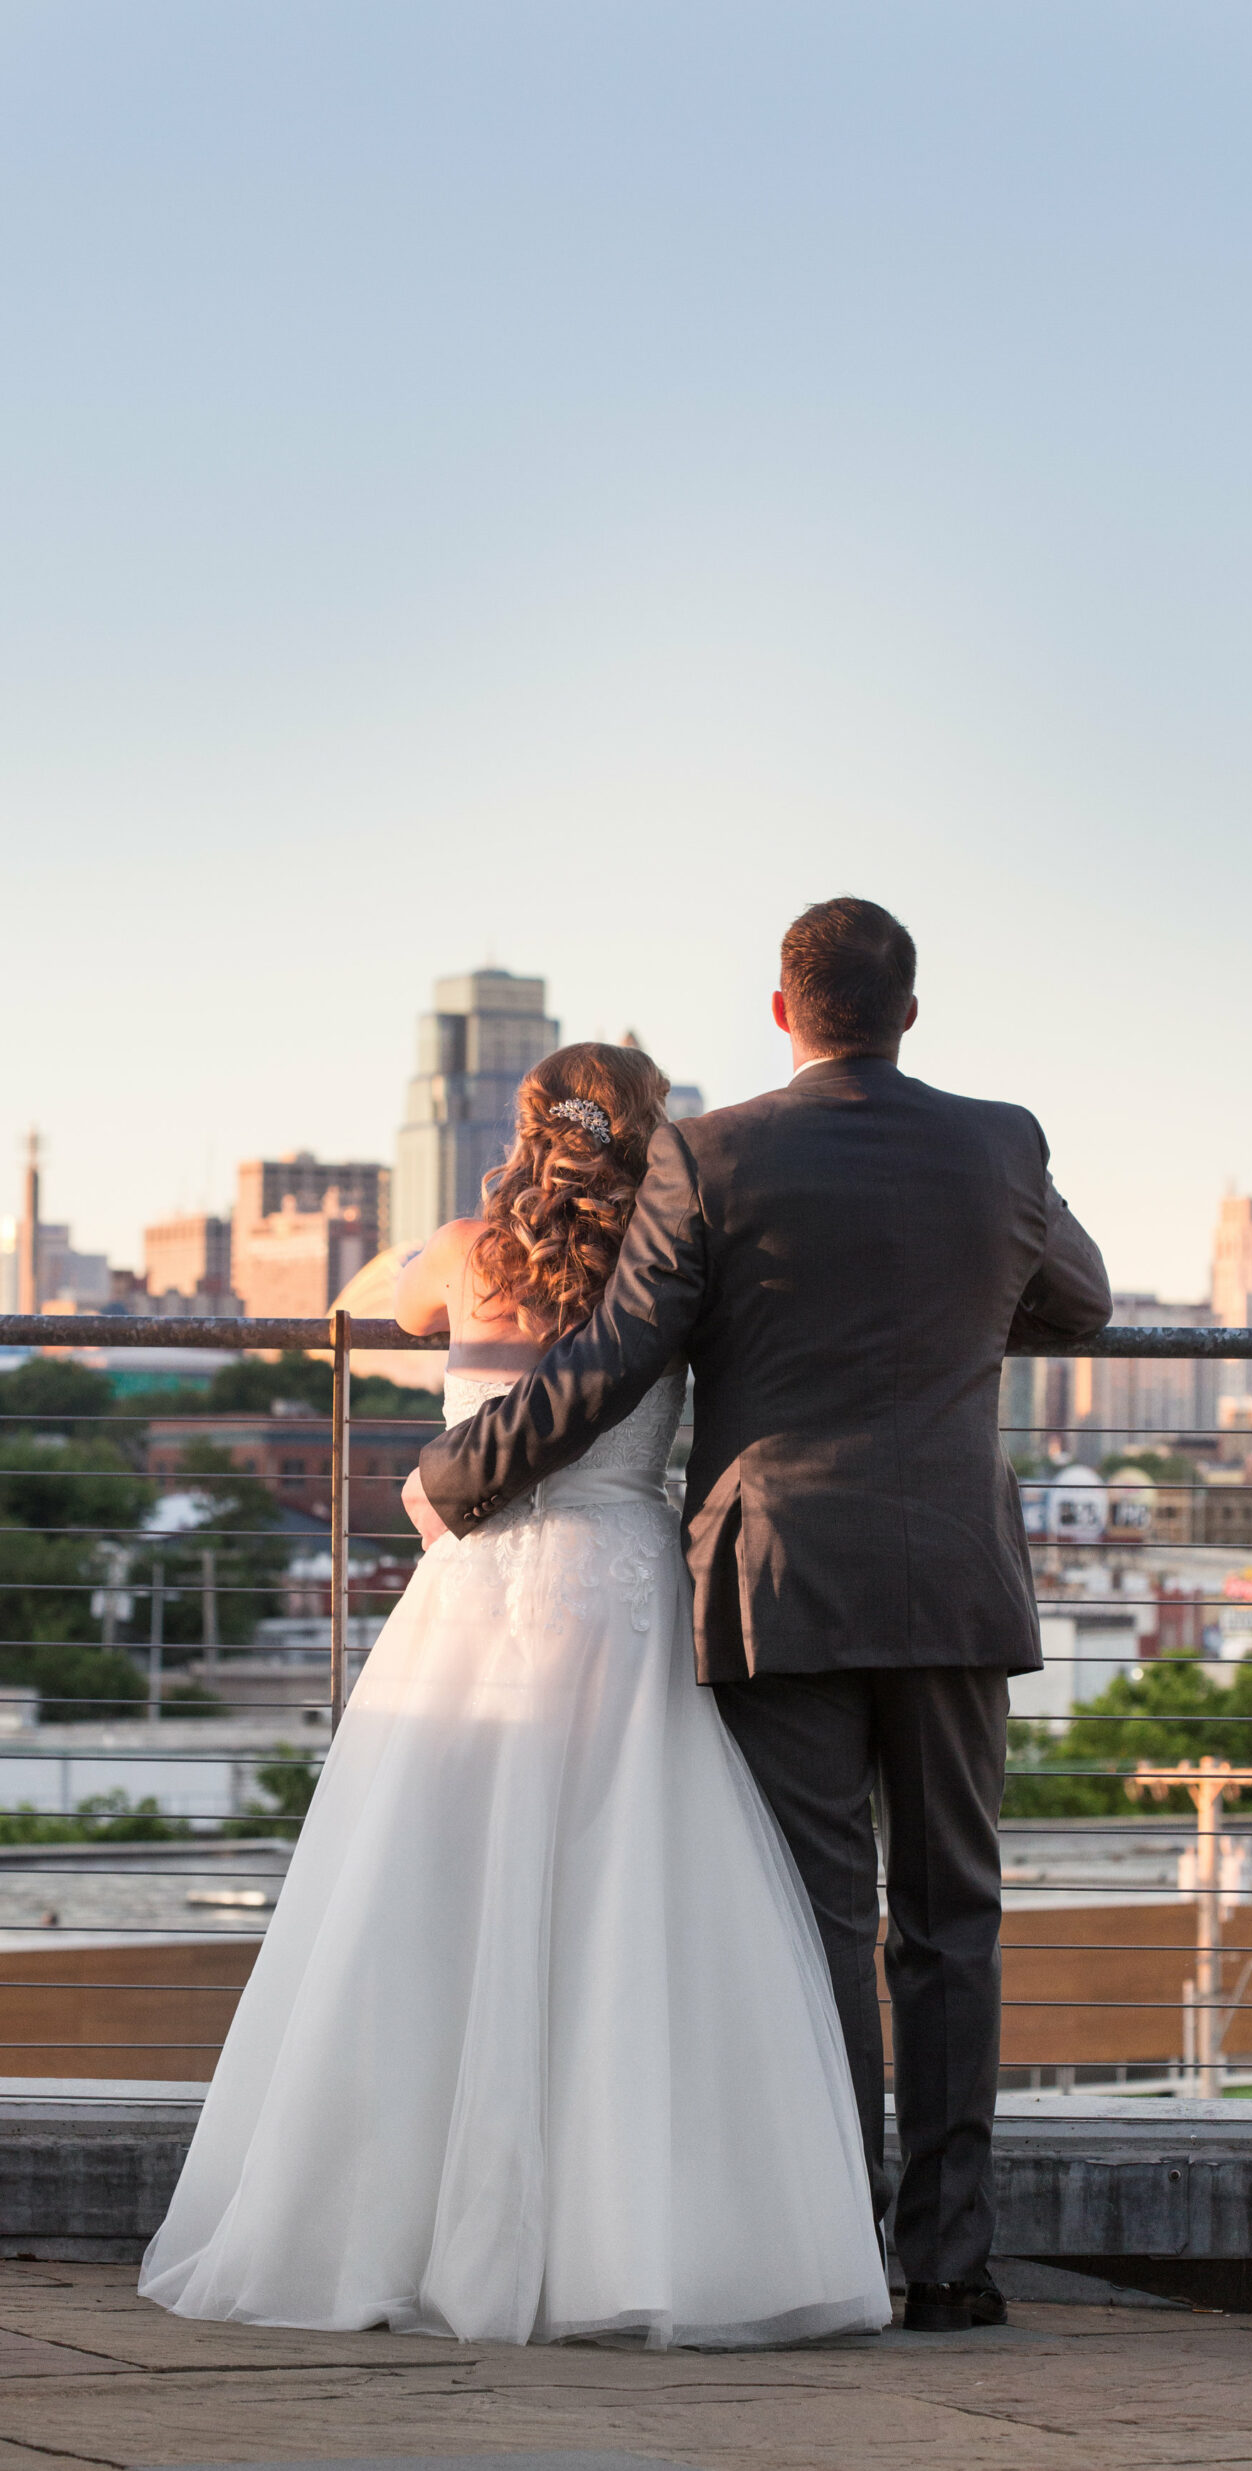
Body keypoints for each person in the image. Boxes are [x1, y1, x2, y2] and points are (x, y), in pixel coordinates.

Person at [413, 898, 1112, 2331]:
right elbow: (1082, 1306)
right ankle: (954, 2267)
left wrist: (459, 1471)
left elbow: (614, 1359)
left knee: (814, 1922)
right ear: (909, 1011)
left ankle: (831, 2246)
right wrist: (958, 1309)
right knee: (951, 1922)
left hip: (776, 1573)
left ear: (781, 1011)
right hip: (953, 1578)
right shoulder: (1004, 1141)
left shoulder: (713, 1152)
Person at [140, 1036, 890, 2348]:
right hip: (624, 1587)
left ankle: (411, 2229)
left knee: (437, 1896)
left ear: (526, 1129)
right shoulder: (676, 1266)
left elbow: (367, 1296)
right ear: (652, 1134)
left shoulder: (456, 1251)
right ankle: (636, 2236)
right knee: (628, 1904)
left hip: (479, 1591)